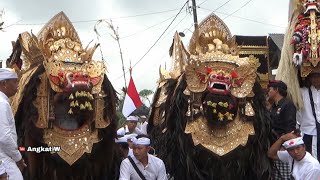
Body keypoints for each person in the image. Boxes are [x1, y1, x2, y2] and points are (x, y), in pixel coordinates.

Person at [0, 68, 26, 180]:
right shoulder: (2, 104)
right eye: (15, 82)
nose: (17, 85)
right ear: (4, 83)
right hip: (4, 159)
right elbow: (5, 137)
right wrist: (18, 159)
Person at [267, 80, 297, 179]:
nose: (268, 91)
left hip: (283, 146)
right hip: (273, 144)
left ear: (276, 90)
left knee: (285, 176)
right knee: (276, 175)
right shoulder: (274, 106)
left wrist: (285, 146)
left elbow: (290, 127)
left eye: (270, 89)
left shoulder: (287, 104)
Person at [297, 73, 320, 160]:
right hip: (308, 131)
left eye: (318, 76)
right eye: (313, 77)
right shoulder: (303, 92)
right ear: (309, 78)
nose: (316, 79)